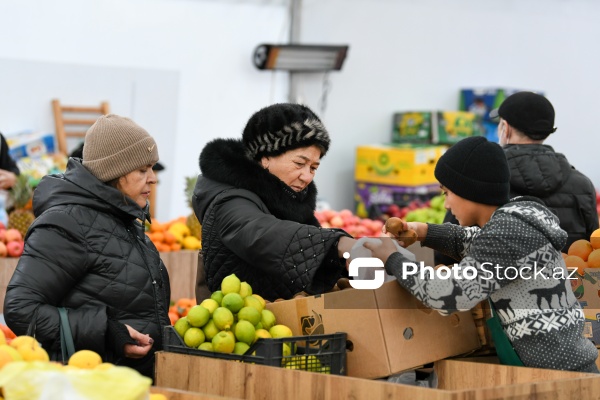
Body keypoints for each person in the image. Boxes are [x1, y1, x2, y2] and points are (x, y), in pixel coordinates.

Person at [364, 136, 598, 372]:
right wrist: (425, 232)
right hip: (562, 369)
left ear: (469, 190)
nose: (445, 205)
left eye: (447, 193)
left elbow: (447, 295)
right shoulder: (516, 220)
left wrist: (392, 258)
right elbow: (474, 241)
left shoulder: (507, 233)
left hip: (564, 379)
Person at [3, 114, 170, 380]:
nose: (152, 178)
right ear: (114, 171)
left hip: (128, 385)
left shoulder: (124, 218)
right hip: (89, 383)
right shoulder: (67, 224)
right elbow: (21, 309)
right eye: (143, 169)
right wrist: (107, 333)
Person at [192, 103, 355, 302]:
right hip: (235, 324)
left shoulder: (290, 202)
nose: (307, 176)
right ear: (266, 156)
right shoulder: (228, 200)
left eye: (313, 168)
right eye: (299, 163)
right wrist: (338, 243)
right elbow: (260, 233)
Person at [434, 91, 599, 265]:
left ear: (505, 128)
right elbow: (594, 248)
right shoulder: (583, 185)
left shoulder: (481, 176)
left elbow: (448, 248)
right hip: (567, 286)